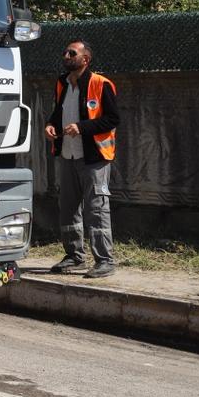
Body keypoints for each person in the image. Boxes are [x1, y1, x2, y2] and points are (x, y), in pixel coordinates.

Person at [44, 39, 119, 278]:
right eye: (65, 52)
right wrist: (50, 125)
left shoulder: (101, 84)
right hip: (68, 154)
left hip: (94, 156)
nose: (66, 56)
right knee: (68, 208)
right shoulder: (62, 83)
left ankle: (105, 260)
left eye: (71, 53)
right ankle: (74, 256)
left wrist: (81, 127)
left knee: (96, 209)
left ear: (85, 59)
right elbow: (58, 112)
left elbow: (112, 119)